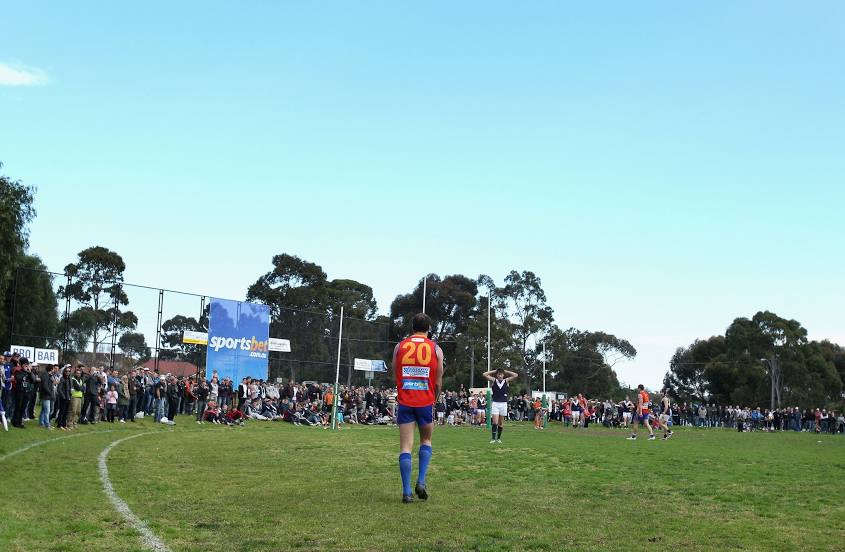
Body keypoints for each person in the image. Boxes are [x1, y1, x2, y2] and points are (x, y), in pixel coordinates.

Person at [393, 313, 443, 503]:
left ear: (411, 327)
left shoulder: (399, 347)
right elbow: (438, 382)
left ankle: (406, 492)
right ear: (429, 328)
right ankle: (421, 481)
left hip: (405, 400)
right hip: (425, 402)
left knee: (405, 447)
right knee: (426, 440)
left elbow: (395, 373)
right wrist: (434, 400)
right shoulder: (436, 349)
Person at [482, 368, 518, 443]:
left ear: (503, 375)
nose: (500, 376)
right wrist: (494, 371)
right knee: (495, 422)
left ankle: (498, 438)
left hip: (503, 403)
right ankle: (493, 438)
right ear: (497, 375)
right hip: (495, 403)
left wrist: (506, 371)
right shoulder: (494, 380)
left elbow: (515, 375)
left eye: (501, 374)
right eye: (498, 374)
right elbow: (484, 374)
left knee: (500, 423)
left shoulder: (506, 380)